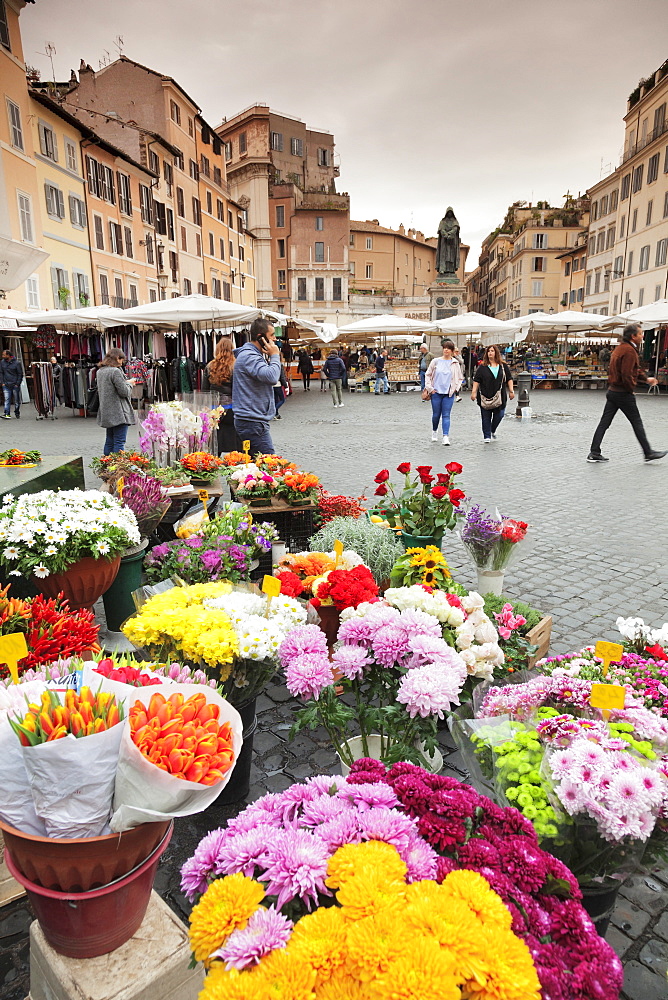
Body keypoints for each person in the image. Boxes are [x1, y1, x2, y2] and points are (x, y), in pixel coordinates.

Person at [587, 323, 666, 464]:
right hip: (623, 393)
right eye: (640, 334)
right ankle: (648, 452)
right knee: (637, 422)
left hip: (613, 390)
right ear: (633, 336)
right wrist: (631, 389)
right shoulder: (629, 351)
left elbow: (633, 370)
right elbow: (627, 373)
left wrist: (646, 379)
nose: (642, 336)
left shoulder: (621, 349)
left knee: (604, 423)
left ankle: (594, 451)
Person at [232, 318, 282, 455]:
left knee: (255, 467)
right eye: (272, 335)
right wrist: (275, 356)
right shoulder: (249, 356)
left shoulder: (251, 355)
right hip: (252, 421)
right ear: (261, 338)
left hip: (252, 420)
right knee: (268, 464)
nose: (275, 339)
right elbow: (272, 377)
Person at [471, 345, 514, 444]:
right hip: (485, 394)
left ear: (496, 353)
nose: (490, 353)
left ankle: (492, 429)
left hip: (500, 395)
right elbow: (476, 380)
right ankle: (487, 435)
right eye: (489, 351)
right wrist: (473, 392)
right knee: (486, 416)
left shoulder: (503, 366)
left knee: (500, 414)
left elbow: (509, 378)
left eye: (492, 351)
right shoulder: (482, 367)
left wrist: (511, 391)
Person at [96, 348, 136, 455]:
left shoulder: (100, 371)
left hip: (107, 411)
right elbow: (124, 392)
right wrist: (129, 384)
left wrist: (124, 382)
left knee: (109, 440)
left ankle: (107, 465)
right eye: (122, 360)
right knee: (119, 441)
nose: (122, 363)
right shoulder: (115, 371)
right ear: (118, 358)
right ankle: (116, 467)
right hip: (119, 412)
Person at [425, 340, 463, 445]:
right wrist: (430, 388)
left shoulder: (455, 363)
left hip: (449, 393)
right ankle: (434, 431)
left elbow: (460, 378)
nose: (446, 350)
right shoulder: (435, 361)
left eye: (448, 348)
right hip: (436, 392)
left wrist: (456, 388)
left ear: (451, 351)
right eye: (444, 348)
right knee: (436, 414)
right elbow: (427, 374)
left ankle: (445, 436)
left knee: (446, 415)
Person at [207, 337, 241, 454]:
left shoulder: (210, 366)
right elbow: (238, 388)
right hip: (232, 407)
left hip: (215, 408)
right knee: (233, 436)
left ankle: (215, 458)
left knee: (216, 436)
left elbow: (205, 388)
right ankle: (234, 460)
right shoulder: (235, 366)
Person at [0, 350, 23, 420]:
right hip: (6, 384)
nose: (2, 356)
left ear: (8, 355)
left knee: (16, 400)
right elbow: (1, 372)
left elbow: (20, 374)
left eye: (4, 355)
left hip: (14, 384)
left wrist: (17, 383)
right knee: (7, 399)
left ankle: (17, 412)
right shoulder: (2, 362)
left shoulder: (17, 363)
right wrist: (2, 382)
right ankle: (7, 413)